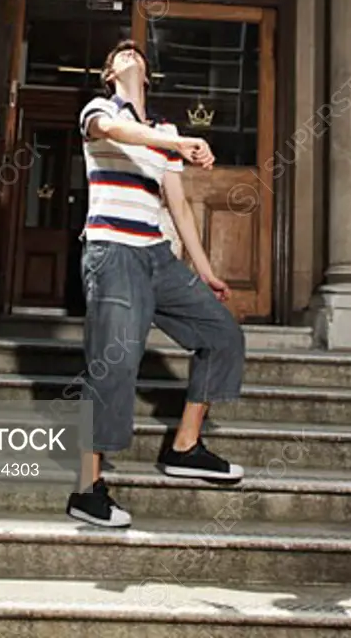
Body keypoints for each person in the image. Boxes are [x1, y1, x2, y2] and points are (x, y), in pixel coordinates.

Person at [66, 39, 245, 528]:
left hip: (156, 257)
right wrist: (176, 144)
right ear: (109, 74)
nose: (128, 56)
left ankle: (185, 446)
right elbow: (113, 130)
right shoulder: (100, 110)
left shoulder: (163, 129)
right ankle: (87, 490)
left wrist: (204, 269)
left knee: (222, 335)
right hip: (112, 253)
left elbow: (179, 205)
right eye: (119, 55)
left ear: (146, 75)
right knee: (114, 364)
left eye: (136, 55)